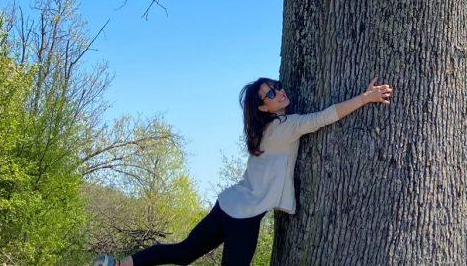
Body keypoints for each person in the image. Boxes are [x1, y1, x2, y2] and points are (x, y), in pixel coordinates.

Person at [92, 77, 393, 266]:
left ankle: (119, 265)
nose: (279, 92)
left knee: (183, 253)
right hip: (243, 215)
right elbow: (326, 116)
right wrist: (366, 98)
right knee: (186, 254)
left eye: (276, 86)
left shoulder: (265, 129)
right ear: (262, 107)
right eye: (270, 93)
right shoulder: (283, 129)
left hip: (229, 204)